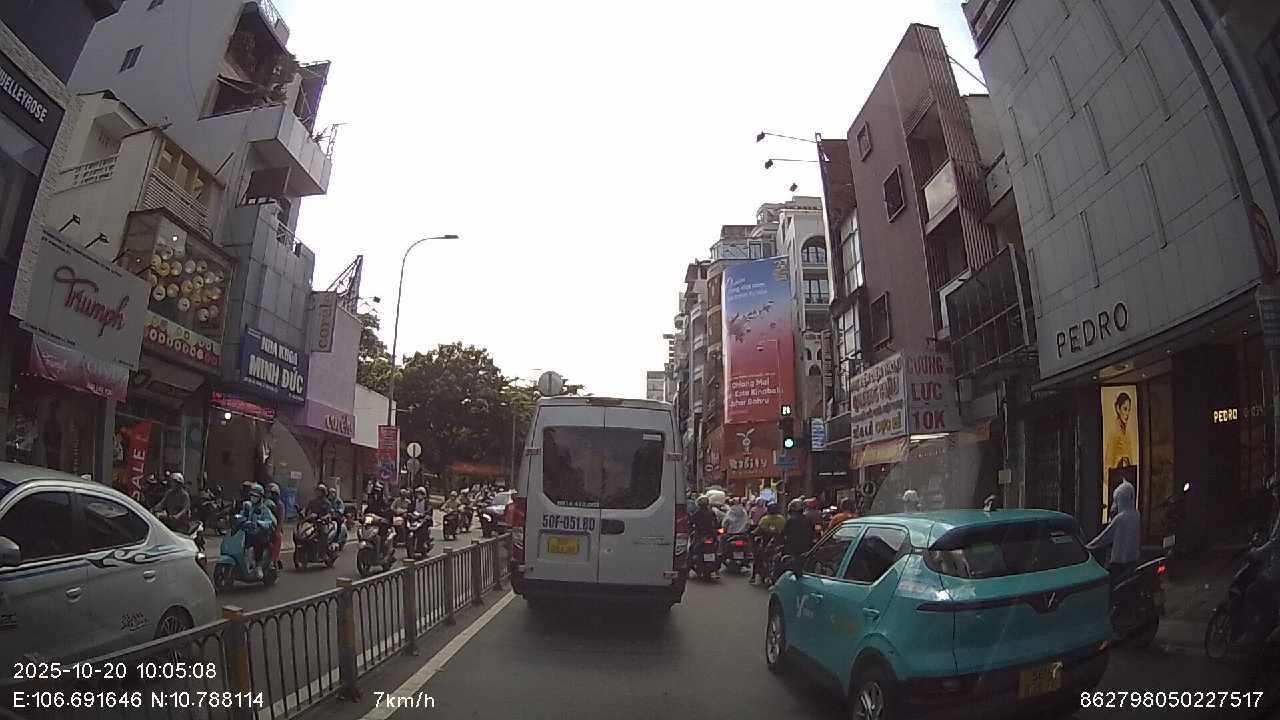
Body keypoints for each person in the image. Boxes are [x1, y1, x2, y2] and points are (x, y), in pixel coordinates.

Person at [1241, 475, 1280, 644]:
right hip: (1272, 565)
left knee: (1251, 593)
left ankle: (1253, 634)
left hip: (1276, 571)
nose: (1274, 496)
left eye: (1275, 492)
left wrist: (1257, 552)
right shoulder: (1275, 513)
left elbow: (1274, 543)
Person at [1087, 478, 1141, 581]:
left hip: (1119, 562)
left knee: (1108, 583)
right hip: (1134, 560)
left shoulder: (1120, 518)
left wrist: (1088, 547)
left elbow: (1105, 537)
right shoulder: (1136, 514)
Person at [242, 483, 276, 579]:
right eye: (252, 495)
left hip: (261, 534)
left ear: (260, 497)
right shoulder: (248, 507)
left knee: (257, 541)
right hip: (248, 532)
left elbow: (271, 522)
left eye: (256, 496)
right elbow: (242, 515)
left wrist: (260, 523)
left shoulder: (265, 509)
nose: (253, 498)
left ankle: (258, 566)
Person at [751, 502, 786, 584]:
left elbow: (758, 530)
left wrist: (752, 533)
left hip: (766, 542)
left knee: (757, 557)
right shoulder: (782, 519)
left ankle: (753, 576)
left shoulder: (765, 519)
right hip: (779, 543)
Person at [690, 495, 721, 579]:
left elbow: (691, 523)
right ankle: (717, 571)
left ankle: (688, 570)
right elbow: (716, 523)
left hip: (700, 535)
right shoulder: (711, 512)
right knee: (716, 548)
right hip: (711, 535)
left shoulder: (697, 513)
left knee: (691, 550)